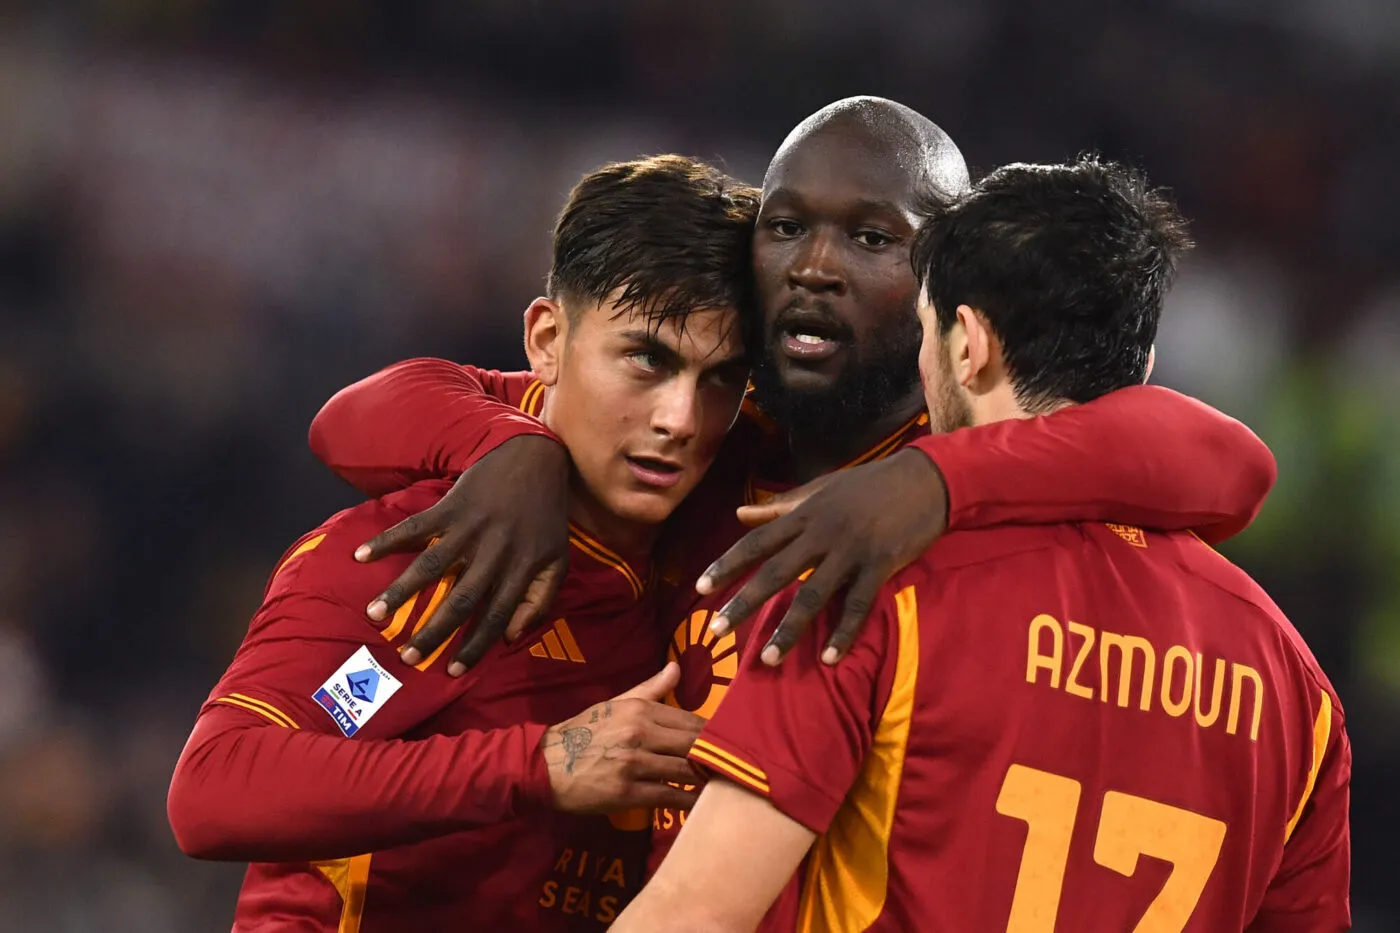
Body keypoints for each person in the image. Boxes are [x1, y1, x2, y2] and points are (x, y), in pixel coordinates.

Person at [307, 99, 1278, 877]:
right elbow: (356, 416)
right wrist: (503, 448)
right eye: (785, 227)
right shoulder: (696, 435)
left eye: (870, 239)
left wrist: (934, 481)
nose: (814, 267)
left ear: (948, 290)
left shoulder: (945, 538)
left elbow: (1222, 459)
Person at [615, 156, 1351, 933]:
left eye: (928, 336)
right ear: (1144, 367)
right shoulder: (1296, 688)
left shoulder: (864, 582)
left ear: (968, 344)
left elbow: (692, 915)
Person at [167, 155, 760, 931]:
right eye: (646, 359)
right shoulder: (429, 555)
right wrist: (537, 764)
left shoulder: (726, 507)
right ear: (547, 339)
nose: (681, 418)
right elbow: (214, 790)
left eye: (721, 377)